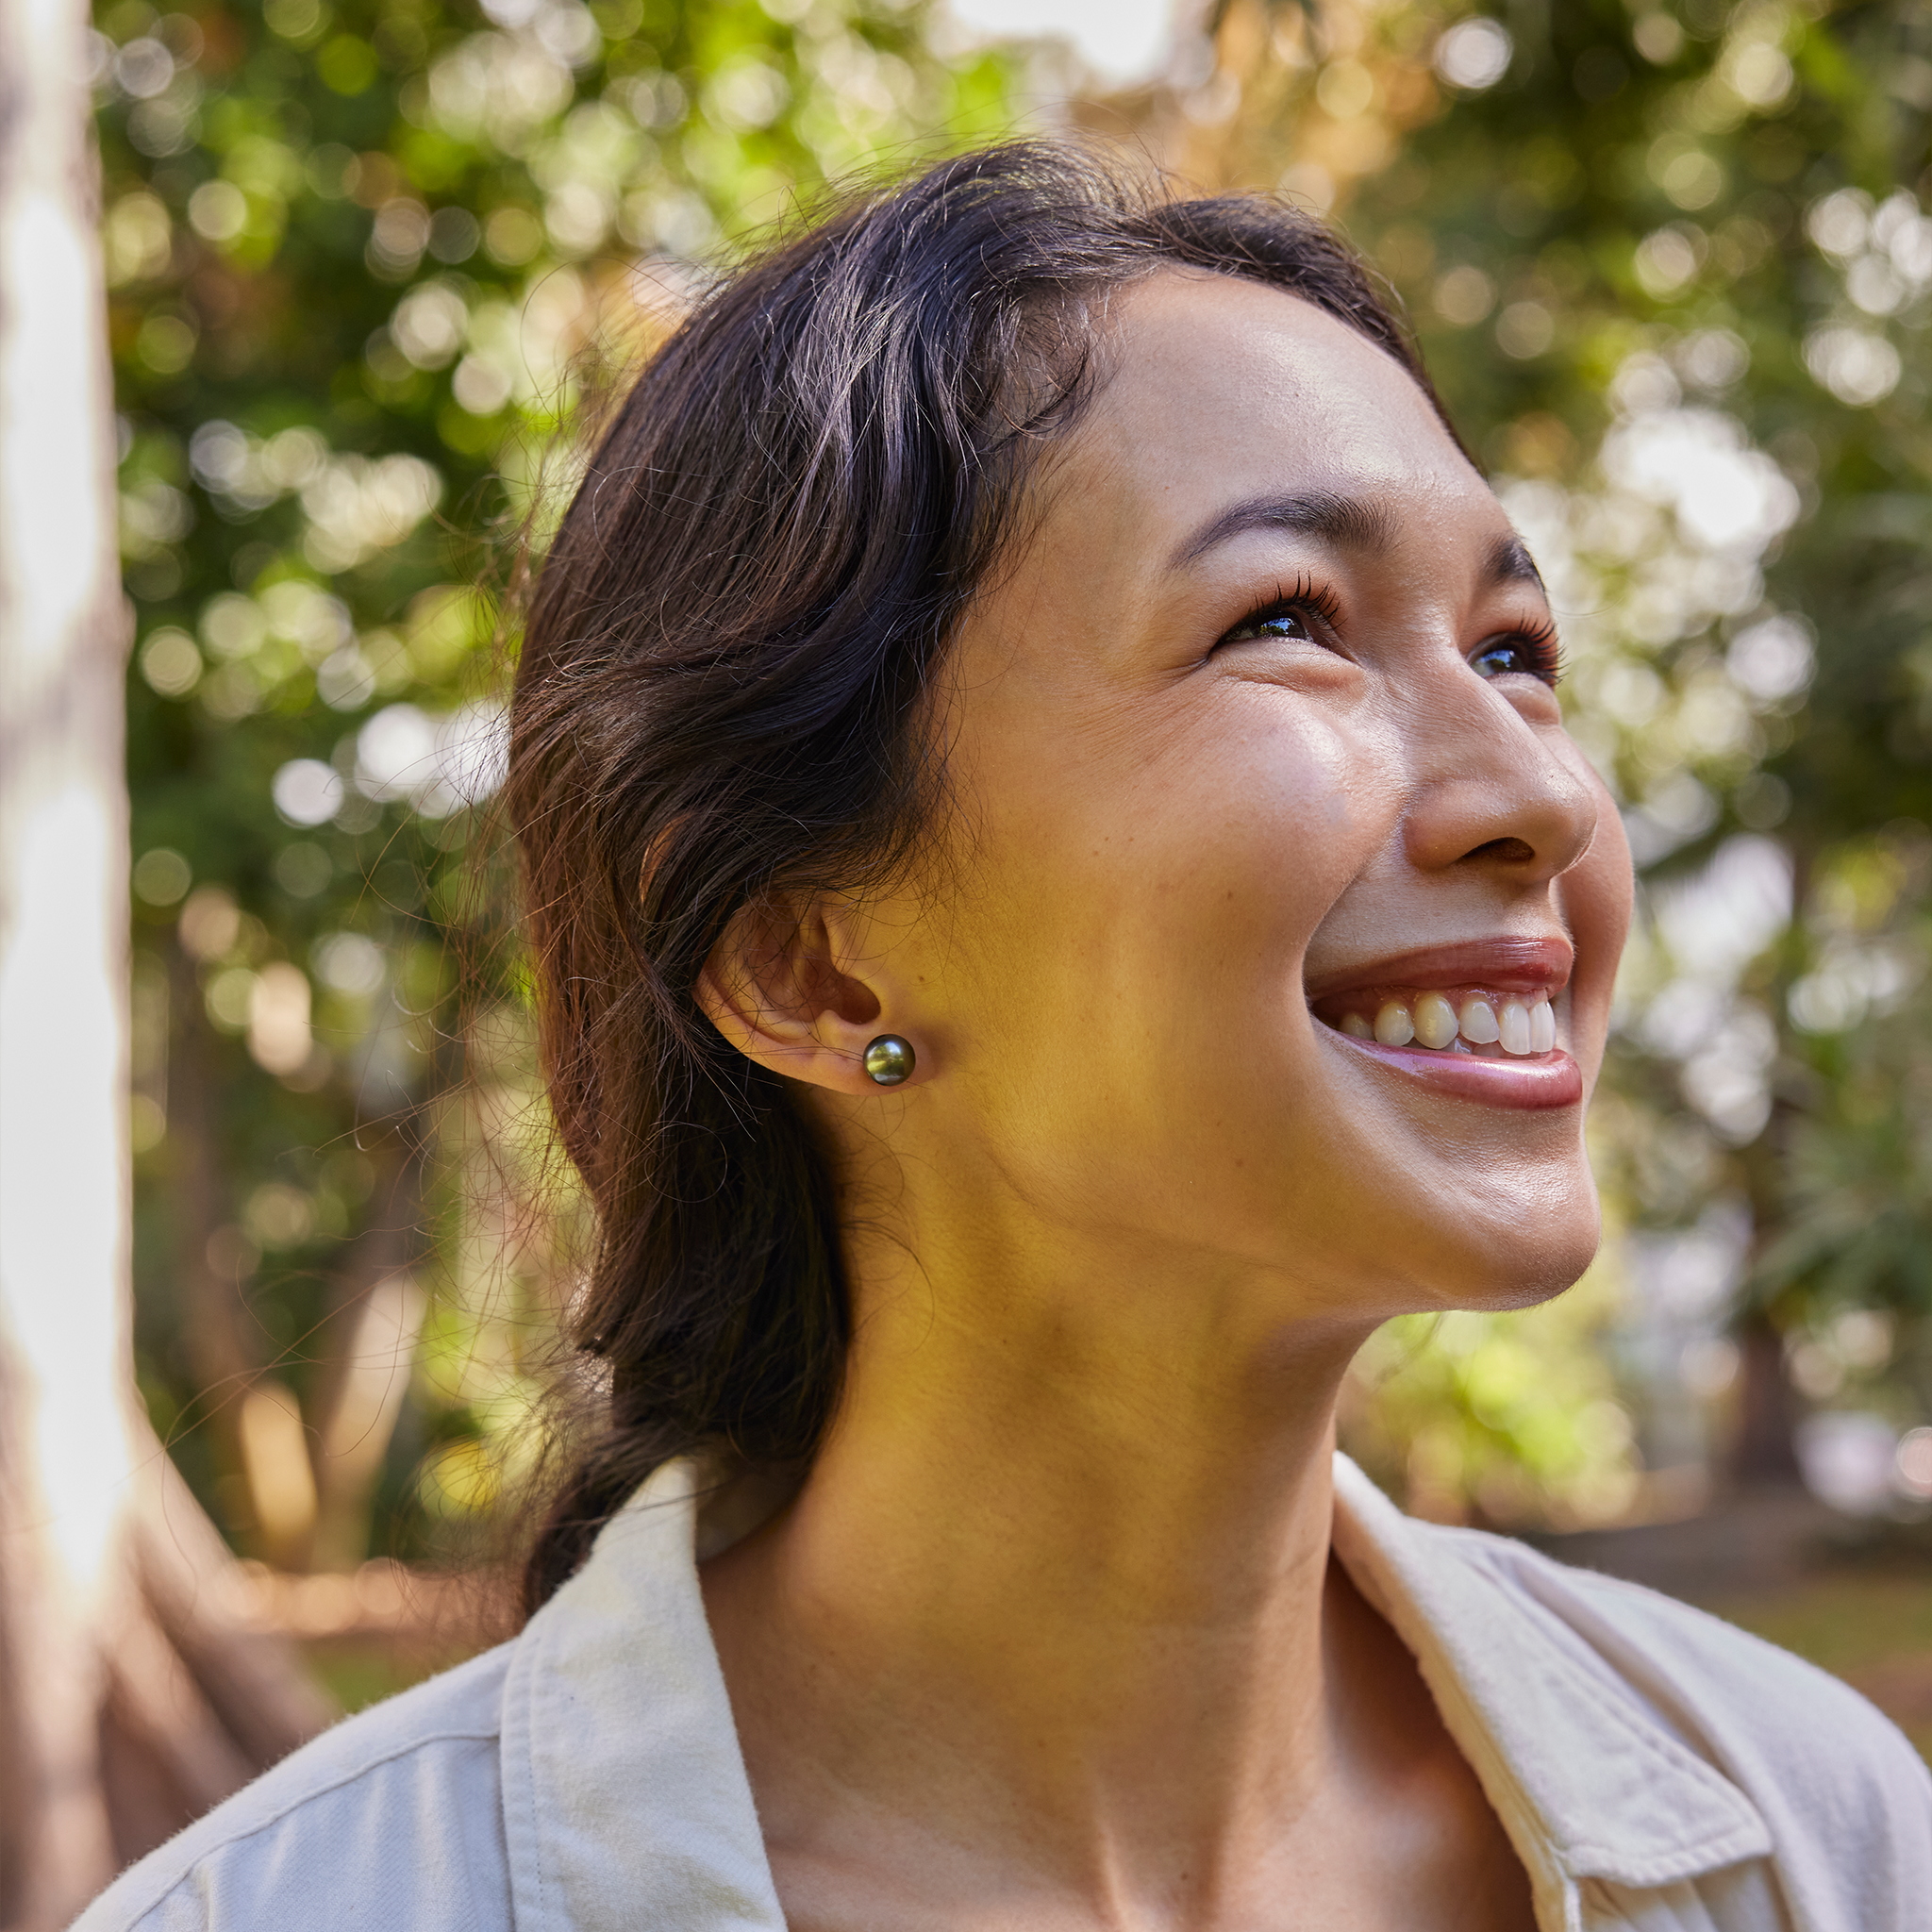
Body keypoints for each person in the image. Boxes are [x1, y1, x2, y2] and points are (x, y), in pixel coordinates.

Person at [75, 142, 1930, 1932]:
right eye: (1288, 621)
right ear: (811, 967)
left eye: (1514, 647)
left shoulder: (1814, 1837)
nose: (1531, 789)